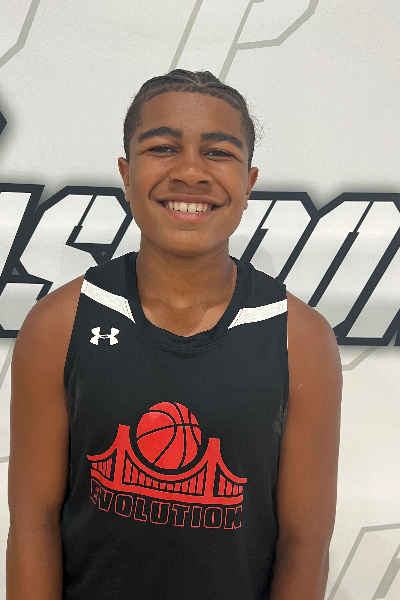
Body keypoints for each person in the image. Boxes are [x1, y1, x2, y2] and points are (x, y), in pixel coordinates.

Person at [6, 69, 342, 600]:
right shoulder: (57, 325)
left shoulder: (300, 340)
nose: (190, 172)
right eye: (162, 148)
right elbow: (33, 523)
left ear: (249, 183)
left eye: (218, 152)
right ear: (126, 172)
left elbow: (305, 544)